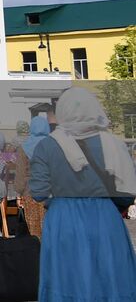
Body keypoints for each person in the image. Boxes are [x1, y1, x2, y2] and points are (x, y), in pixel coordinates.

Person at [29, 86, 136, 301]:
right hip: (105, 217)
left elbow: (39, 192)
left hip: (63, 218)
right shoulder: (114, 143)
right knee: (109, 278)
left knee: (68, 279)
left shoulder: (47, 146)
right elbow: (127, 192)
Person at [15, 112, 51, 238]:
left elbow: (20, 174)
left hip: (30, 194)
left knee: (34, 231)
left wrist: (19, 191)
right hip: (50, 194)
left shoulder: (24, 147)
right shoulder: (53, 145)